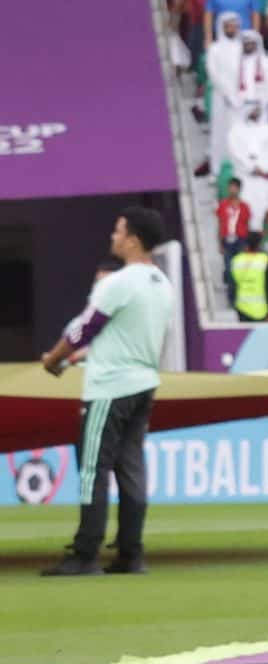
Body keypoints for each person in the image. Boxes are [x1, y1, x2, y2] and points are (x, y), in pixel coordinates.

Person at [36, 208, 176, 578]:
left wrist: (53, 359)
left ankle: (85, 554)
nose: (113, 237)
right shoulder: (161, 283)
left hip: (110, 386)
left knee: (91, 470)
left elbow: (84, 329)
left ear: (132, 238)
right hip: (144, 385)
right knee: (131, 468)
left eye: (118, 231)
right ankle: (131, 553)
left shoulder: (119, 282)